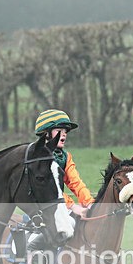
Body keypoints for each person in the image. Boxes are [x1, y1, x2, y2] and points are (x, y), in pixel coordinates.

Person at [27, 109, 93, 254]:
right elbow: (50, 192)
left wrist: (89, 202)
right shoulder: (38, 157)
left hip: (58, 203)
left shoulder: (65, 156)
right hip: (42, 204)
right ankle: (31, 247)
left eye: (65, 131)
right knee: (69, 223)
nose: (64, 134)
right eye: (59, 130)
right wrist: (73, 207)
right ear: (46, 133)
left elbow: (75, 183)